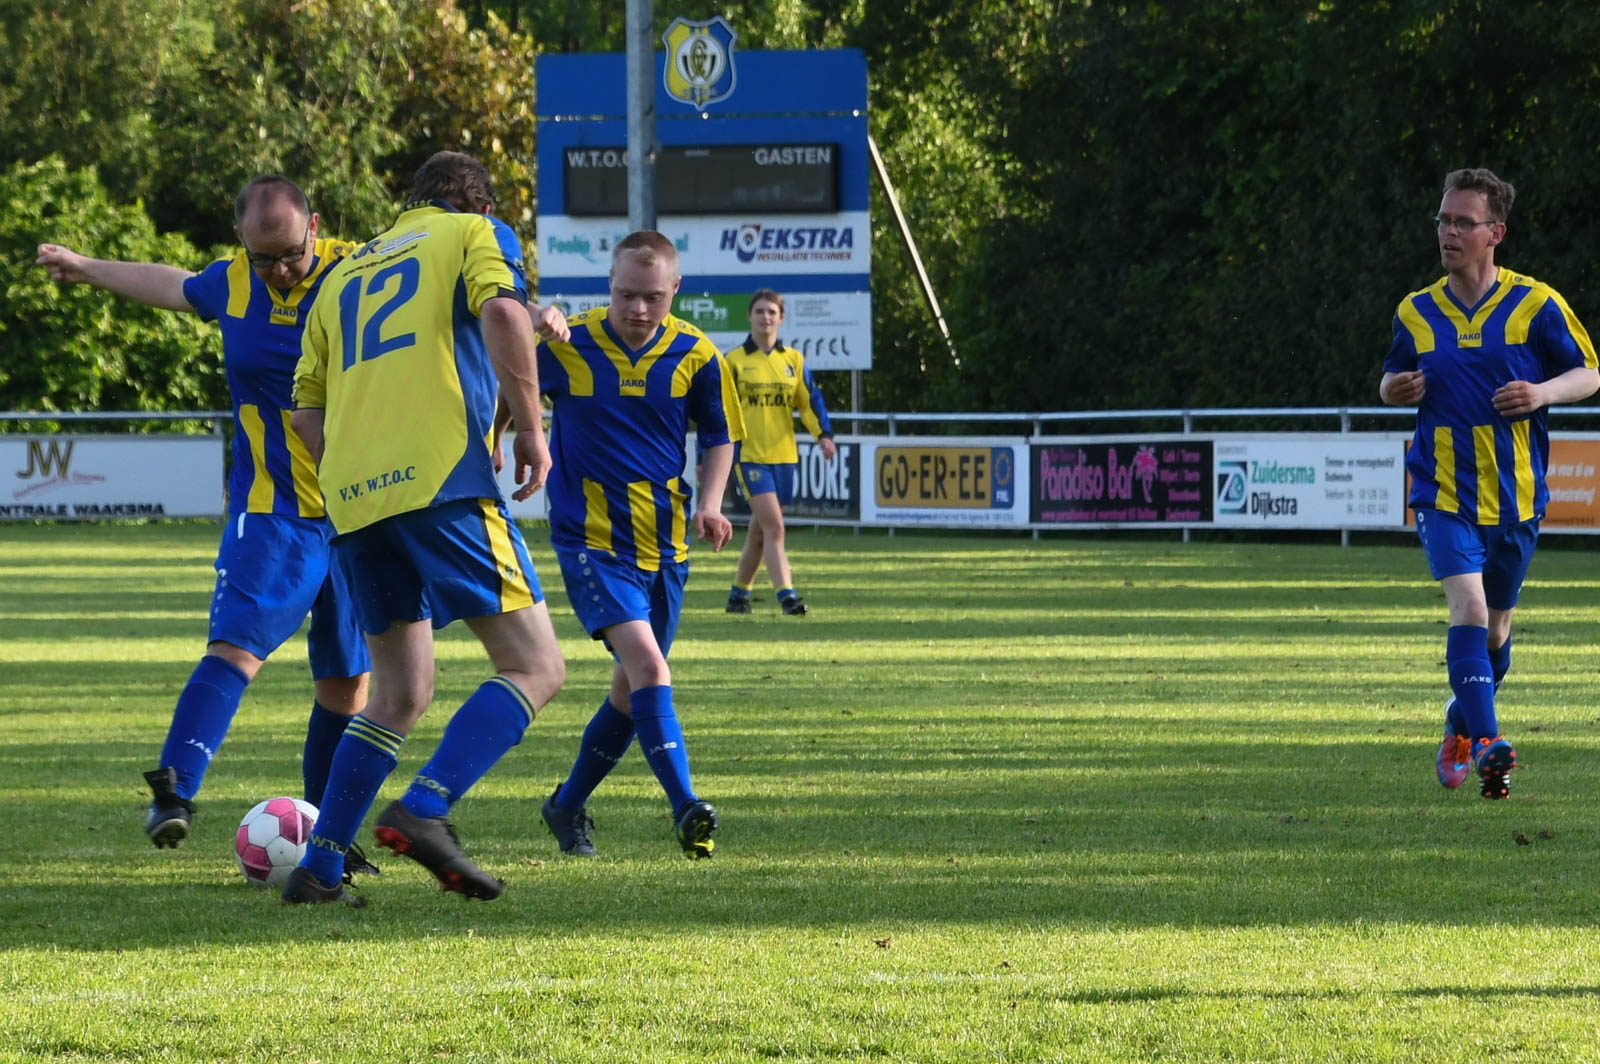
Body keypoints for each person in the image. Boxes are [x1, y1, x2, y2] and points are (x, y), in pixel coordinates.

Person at [36, 177, 378, 875]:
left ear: (316, 226)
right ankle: (175, 790)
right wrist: (86, 267)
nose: (280, 270)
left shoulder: (360, 271)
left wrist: (528, 313)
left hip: (360, 510)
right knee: (237, 647)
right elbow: (173, 283)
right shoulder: (231, 284)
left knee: (349, 683)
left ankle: (329, 843)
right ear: (240, 242)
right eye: (263, 258)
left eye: (292, 253)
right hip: (273, 510)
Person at [284, 150, 570, 905]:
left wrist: (360, 470)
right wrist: (532, 428)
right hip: (442, 481)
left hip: (353, 501)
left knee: (398, 693)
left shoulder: (339, 276)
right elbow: (503, 313)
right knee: (537, 667)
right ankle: (426, 806)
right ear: (481, 204)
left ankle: (318, 869)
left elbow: (304, 414)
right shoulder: (475, 234)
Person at [1381, 167, 1598, 800]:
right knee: (1470, 610)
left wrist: (1542, 392)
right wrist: (1395, 389)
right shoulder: (1417, 311)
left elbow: (1589, 372)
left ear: (1495, 232)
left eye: (1463, 222)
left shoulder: (1536, 304)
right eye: (1443, 221)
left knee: (1497, 632)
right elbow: (1390, 378)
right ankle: (1488, 742)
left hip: (1516, 497)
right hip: (1442, 492)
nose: (1448, 232)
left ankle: (1458, 724)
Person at [535, 230, 744, 860]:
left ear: (675, 288)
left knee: (631, 692)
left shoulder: (696, 354)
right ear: (610, 285)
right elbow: (512, 382)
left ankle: (566, 805)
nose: (638, 308)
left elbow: (720, 436)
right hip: (591, 540)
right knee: (651, 669)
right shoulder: (568, 343)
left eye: (653, 297)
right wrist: (508, 435)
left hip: (666, 546)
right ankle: (686, 807)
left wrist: (711, 503)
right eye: (626, 294)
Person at [722, 289, 836, 616]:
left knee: (760, 533)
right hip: (750, 456)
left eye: (772, 312)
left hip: (784, 456)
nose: (765, 317)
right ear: (749, 316)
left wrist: (823, 435)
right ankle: (787, 596)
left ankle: (738, 596)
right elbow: (720, 411)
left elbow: (809, 402)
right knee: (775, 527)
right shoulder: (734, 361)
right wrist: (709, 455)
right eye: (759, 311)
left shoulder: (793, 360)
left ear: (781, 318)